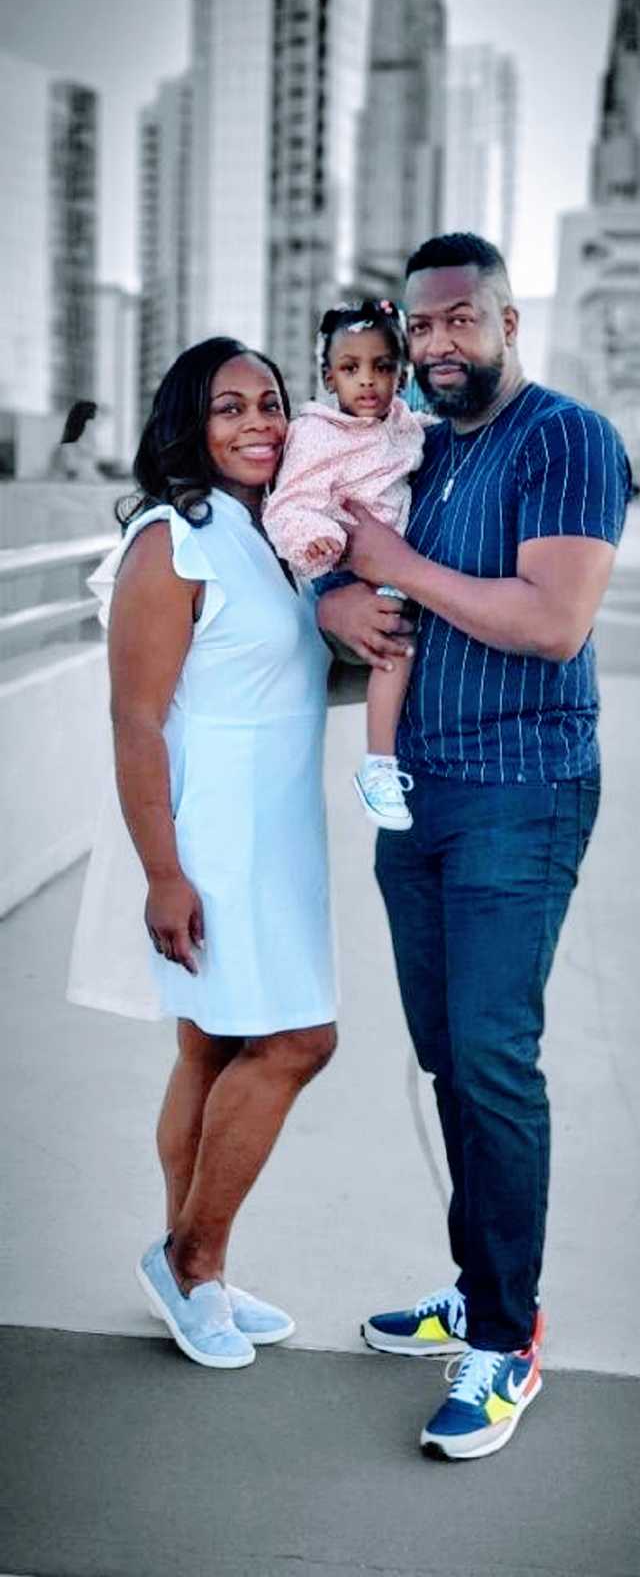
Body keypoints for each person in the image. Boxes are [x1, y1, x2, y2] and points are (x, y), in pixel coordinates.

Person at [318, 233, 632, 1461]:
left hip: (522, 788)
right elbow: (360, 602)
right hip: (421, 794)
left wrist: (393, 565)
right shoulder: (418, 449)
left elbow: (553, 623)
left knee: (495, 1059)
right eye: (424, 326)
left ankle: (505, 1338)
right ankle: (474, 1286)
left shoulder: (564, 438)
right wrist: (339, 599)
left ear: (506, 321)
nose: (440, 344)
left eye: (461, 321)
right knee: (451, 1055)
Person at [67, 336, 408, 1370]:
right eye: (229, 407)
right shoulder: (172, 540)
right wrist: (165, 873)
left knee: (213, 1047)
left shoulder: (275, 534)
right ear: (189, 425)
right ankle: (191, 1257)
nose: (259, 421)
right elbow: (135, 718)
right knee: (300, 1040)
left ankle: (196, 1274)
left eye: (269, 401)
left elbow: (289, 680)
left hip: (280, 826)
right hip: (209, 833)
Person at [263, 299, 426, 831]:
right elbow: (289, 503)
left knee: (412, 644)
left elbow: (429, 436)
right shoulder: (315, 433)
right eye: (352, 369)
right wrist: (318, 539)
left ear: (401, 374)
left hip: (393, 568)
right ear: (328, 376)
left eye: (383, 367)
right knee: (394, 651)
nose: (368, 381)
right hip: (341, 566)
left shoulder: (403, 424)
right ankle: (379, 767)